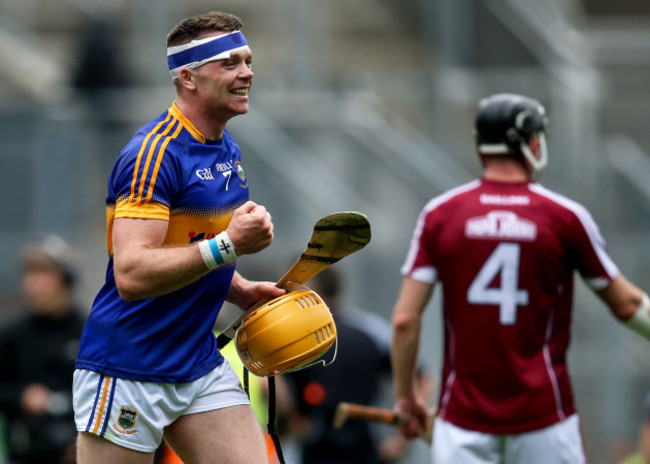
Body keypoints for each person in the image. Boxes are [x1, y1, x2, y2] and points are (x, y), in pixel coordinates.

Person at [390, 93, 650, 464]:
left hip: (463, 422)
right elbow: (625, 303)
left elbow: (404, 319)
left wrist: (407, 397)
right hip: (545, 420)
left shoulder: (440, 215)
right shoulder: (565, 217)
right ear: (530, 143)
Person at [72, 11, 285, 464]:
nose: (247, 72)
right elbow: (131, 273)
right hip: (129, 364)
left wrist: (238, 288)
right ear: (188, 77)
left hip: (196, 360)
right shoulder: (154, 154)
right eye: (229, 63)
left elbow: (188, 244)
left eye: (247, 60)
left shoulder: (226, 149)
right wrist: (229, 245)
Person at [283, 268, 431, 464]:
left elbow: (421, 377)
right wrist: (400, 443)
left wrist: (400, 443)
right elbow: (423, 378)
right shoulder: (370, 330)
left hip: (354, 450)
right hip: (336, 451)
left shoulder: (368, 332)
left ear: (311, 291)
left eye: (290, 292)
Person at [0, 236, 86, 464]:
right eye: (29, 276)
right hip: (25, 454)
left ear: (66, 280)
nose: (32, 286)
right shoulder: (12, 334)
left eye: (43, 276)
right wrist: (21, 397)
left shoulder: (90, 333)